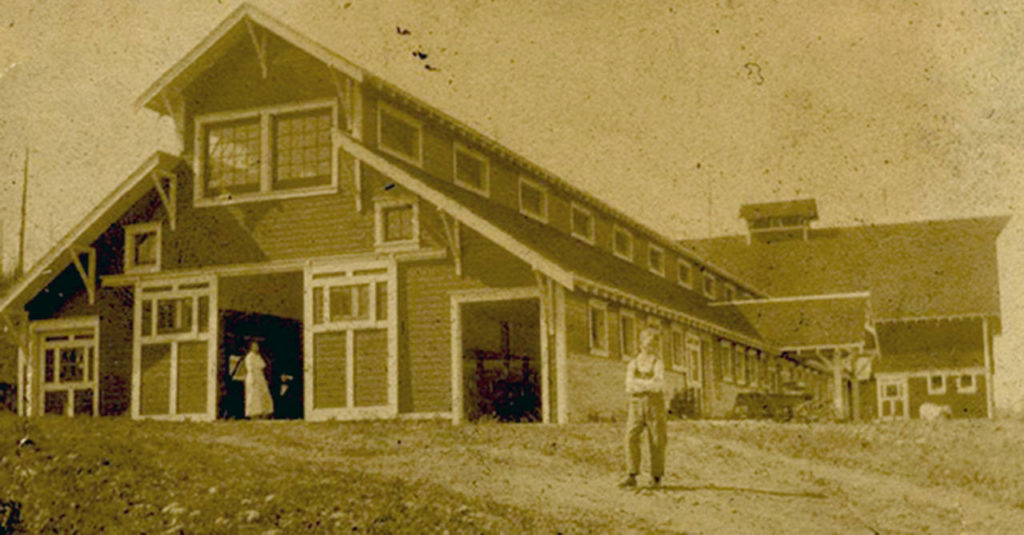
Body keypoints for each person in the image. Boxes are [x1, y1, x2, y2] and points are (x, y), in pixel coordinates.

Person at [620, 327, 667, 488]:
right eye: (648, 344)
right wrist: (647, 384)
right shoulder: (633, 363)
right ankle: (631, 474)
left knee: (656, 439)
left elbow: (658, 385)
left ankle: (656, 477)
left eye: (654, 345)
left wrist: (639, 384)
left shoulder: (658, 363)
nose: (650, 348)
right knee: (631, 437)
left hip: (654, 404)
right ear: (641, 344)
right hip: (636, 404)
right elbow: (628, 385)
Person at [241, 341, 274, 419]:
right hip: (253, 376)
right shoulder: (249, 357)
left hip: (260, 376)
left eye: (257, 346)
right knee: (254, 396)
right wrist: (252, 379)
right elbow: (250, 368)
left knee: (263, 394)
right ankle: (254, 413)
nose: (256, 348)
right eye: (254, 346)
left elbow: (262, 366)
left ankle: (264, 412)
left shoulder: (258, 356)